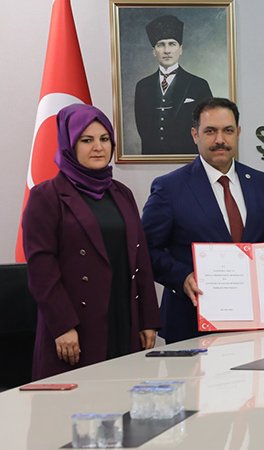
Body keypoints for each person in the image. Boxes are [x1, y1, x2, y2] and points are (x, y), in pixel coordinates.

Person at [142, 98, 264, 343]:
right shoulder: (170, 188)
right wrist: (182, 277)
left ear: (238, 133)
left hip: (257, 324)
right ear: (195, 134)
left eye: (228, 131)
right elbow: (146, 249)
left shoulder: (260, 182)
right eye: (210, 131)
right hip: (192, 324)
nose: (220, 139)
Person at [22, 104, 160, 380]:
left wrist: (148, 320)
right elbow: (41, 269)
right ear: (69, 144)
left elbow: (140, 259)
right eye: (86, 140)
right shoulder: (46, 196)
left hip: (123, 316)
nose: (98, 147)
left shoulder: (122, 193)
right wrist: (62, 325)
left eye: (104, 139)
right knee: (78, 402)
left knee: (122, 398)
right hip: (75, 325)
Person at [135, 14, 212, 155]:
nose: (167, 50)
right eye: (161, 45)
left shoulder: (199, 85)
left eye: (172, 44)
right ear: (154, 51)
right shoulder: (142, 87)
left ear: (180, 49)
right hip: (151, 159)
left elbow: (208, 126)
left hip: (188, 158)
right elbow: (142, 128)